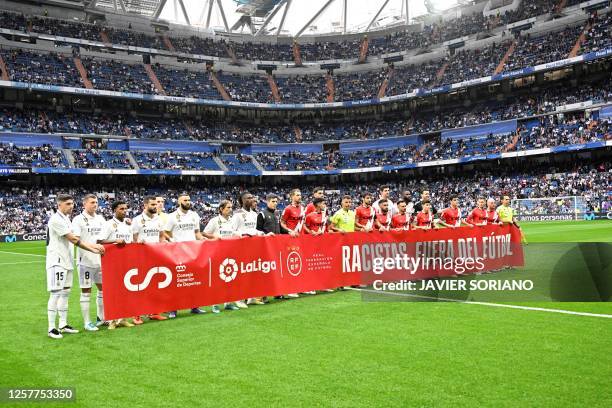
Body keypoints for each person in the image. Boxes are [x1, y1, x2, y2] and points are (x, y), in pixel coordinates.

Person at [46, 194, 105, 339]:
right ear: (59, 205)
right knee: (55, 293)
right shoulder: (55, 220)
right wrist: (93, 248)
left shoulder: (66, 219)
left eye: (72, 203)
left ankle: (63, 324)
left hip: (67, 261)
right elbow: (73, 239)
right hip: (57, 262)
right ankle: (51, 327)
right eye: (67, 204)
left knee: (65, 293)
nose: (71, 206)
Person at [164, 193, 206, 318]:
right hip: (178, 253)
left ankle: (194, 306)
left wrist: (203, 239)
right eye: (185, 200)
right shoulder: (172, 217)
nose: (188, 202)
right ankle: (173, 309)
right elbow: (166, 233)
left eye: (189, 200)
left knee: (193, 281)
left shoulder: (194, 215)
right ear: (179, 202)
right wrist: (173, 242)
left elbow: (197, 233)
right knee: (177, 282)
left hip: (193, 253)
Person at [71, 194, 107, 331]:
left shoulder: (100, 219)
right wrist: (92, 248)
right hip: (85, 261)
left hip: (100, 261)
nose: (95, 204)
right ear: (84, 204)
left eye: (96, 202)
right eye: (92, 202)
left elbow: (105, 237)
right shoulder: (78, 220)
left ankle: (101, 318)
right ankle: (87, 322)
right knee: (86, 291)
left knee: (103, 290)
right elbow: (76, 240)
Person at [97, 200, 135, 329]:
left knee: (125, 291)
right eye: (121, 209)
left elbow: (129, 242)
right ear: (115, 210)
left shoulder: (128, 224)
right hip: (112, 263)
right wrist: (115, 241)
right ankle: (112, 320)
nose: (124, 211)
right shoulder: (108, 224)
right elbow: (99, 241)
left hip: (126, 261)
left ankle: (123, 319)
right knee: (113, 292)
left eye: (125, 209)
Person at [131, 196, 167, 324]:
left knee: (155, 285)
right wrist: (138, 242)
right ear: (145, 205)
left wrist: (164, 245)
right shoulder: (137, 220)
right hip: (141, 257)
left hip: (156, 256)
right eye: (152, 204)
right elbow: (133, 239)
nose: (155, 206)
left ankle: (154, 312)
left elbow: (161, 236)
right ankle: (136, 315)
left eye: (156, 204)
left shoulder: (158, 219)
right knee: (140, 286)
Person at [203, 200, 244, 312]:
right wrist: (215, 237)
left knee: (230, 278)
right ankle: (215, 304)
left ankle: (228, 303)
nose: (230, 210)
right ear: (221, 209)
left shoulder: (232, 220)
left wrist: (238, 235)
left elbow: (234, 232)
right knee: (217, 280)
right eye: (228, 208)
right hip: (217, 253)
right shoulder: (214, 220)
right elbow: (204, 233)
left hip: (230, 253)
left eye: (231, 207)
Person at [233, 191, 264, 306]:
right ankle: (239, 299)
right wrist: (243, 234)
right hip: (241, 247)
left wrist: (263, 233)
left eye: (251, 197)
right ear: (242, 201)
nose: (250, 199)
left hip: (253, 247)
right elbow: (233, 230)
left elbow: (254, 230)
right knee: (241, 273)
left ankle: (251, 297)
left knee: (252, 272)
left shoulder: (254, 214)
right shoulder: (237, 215)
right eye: (247, 198)